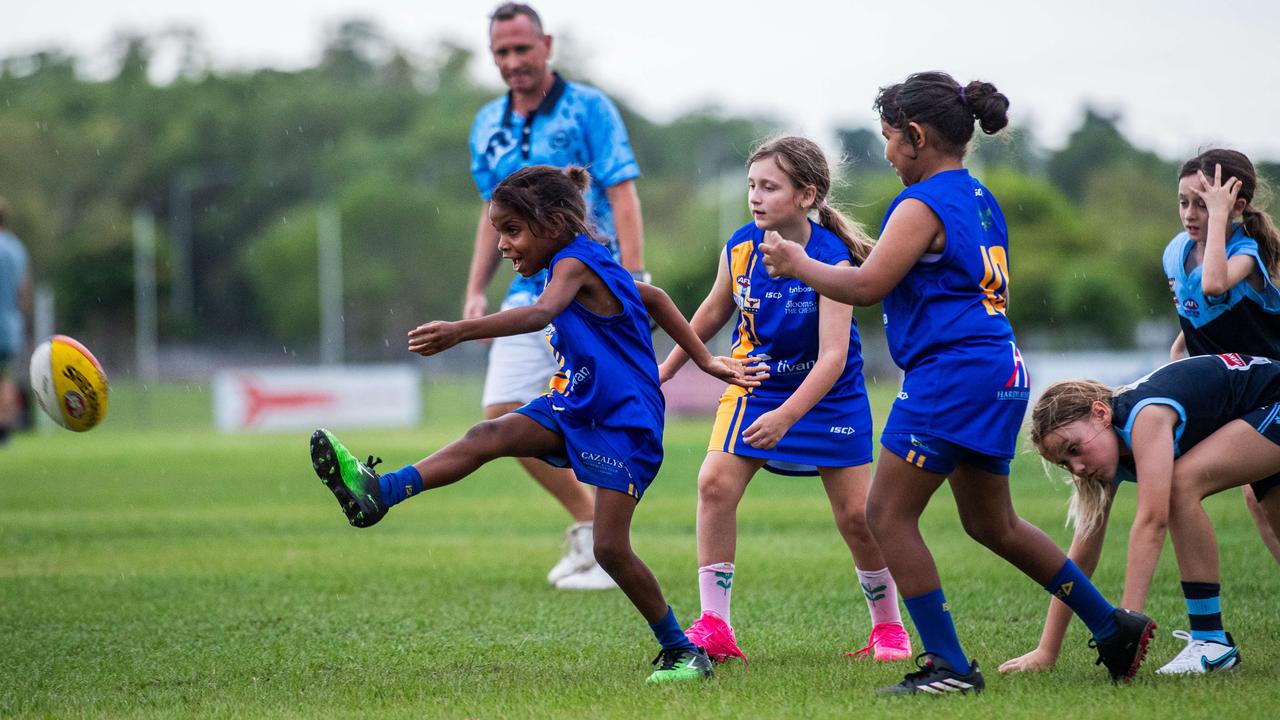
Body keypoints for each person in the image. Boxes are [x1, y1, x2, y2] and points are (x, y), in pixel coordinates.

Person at [758, 72, 1154, 694]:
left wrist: (799, 262)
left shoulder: (919, 204)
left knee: (886, 514)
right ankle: (1112, 626)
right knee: (992, 524)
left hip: (951, 375)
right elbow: (931, 277)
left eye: (889, 138)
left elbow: (866, 289)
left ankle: (947, 665)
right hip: (999, 368)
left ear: (915, 136)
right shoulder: (976, 196)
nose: (887, 153)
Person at [310, 165, 763, 683]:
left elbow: (541, 313)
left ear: (553, 223)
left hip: (623, 422)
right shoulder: (584, 261)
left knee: (609, 548)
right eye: (499, 230)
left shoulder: (573, 262)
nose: (502, 244)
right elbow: (653, 297)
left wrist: (461, 330)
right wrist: (703, 358)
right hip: (576, 403)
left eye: (511, 230)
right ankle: (380, 493)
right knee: (490, 434)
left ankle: (683, 651)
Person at [656, 136, 909, 665]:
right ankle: (714, 627)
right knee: (714, 483)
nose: (755, 196)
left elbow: (834, 358)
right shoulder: (740, 246)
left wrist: (786, 416)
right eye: (751, 185)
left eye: (769, 187)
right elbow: (708, 314)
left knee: (856, 517)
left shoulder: (830, 257)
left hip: (828, 396)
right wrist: (665, 371)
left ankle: (890, 631)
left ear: (805, 195)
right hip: (756, 387)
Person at [464, 3, 649, 591]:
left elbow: (622, 192)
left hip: (594, 286)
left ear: (546, 44)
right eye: (502, 52)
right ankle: (589, 524)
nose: (513, 62)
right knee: (503, 413)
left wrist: (636, 275)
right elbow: (490, 215)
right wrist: (474, 289)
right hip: (526, 288)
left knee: (603, 410)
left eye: (522, 49)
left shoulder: (590, 108)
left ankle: (607, 547)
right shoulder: (487, 123)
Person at [1016, 353, 1280, 675]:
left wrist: (1128, 620)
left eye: (1074, 450)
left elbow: (1153, 520)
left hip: (1272, 401)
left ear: (1100, 413)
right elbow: (1081, 557)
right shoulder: (1108, 452)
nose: (1078, 468)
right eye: (1065, 464)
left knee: (1180, 485)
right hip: (1258, 413)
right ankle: (1211, 643)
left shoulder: (1146, 416)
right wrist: (1047, 650)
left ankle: (1212, 642)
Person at [1162, 149, 1280, 567]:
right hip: (1247, 400)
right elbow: (1195, 323)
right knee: (1259, 500)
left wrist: (1220, 219)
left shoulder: (1245, 255)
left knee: (1194, 485)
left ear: (1236, 207)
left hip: (1272, 397)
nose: (1190, 214)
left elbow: (1213, 286)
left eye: (1203, 204)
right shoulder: (1176, 253)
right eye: (1183, 202)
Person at [0, 197, 32, 445]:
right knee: (6, 378)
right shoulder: (16, 248)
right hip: (8, 326)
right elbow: (23, 292)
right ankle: (5, 429)